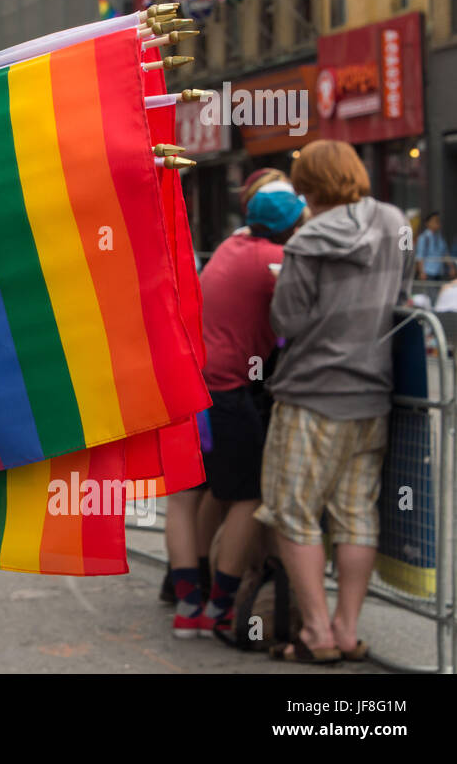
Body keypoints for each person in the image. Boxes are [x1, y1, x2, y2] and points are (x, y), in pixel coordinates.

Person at [254, 140, 411, 664]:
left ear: (309, 187)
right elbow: (402, 295)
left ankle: (316, 634)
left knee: (293, 514)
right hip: (373, 394)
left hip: (313, 396)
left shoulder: (307, 240)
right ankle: (347, 629)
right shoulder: (393, 222)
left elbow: (287, 322)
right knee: (356, 517)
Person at [187, 187, 306, 638]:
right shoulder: (272, 259)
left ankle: (195, 595)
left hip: (202, 384)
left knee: (218, 491)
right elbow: (302, 312)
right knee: (248, 497)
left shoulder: (233, 246)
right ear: (289, 227)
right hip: (229, 389)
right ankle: (222, 605)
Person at [415, 212, 452, 281]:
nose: (437, 223)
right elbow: (420, 256)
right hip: (428, 272)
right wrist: (422, 272)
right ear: (428, 223)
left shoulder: (440, 237)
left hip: (440, 272)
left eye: (438, 221)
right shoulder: (424, 238)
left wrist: (451, 267)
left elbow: (445, 254)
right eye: (435, 221)